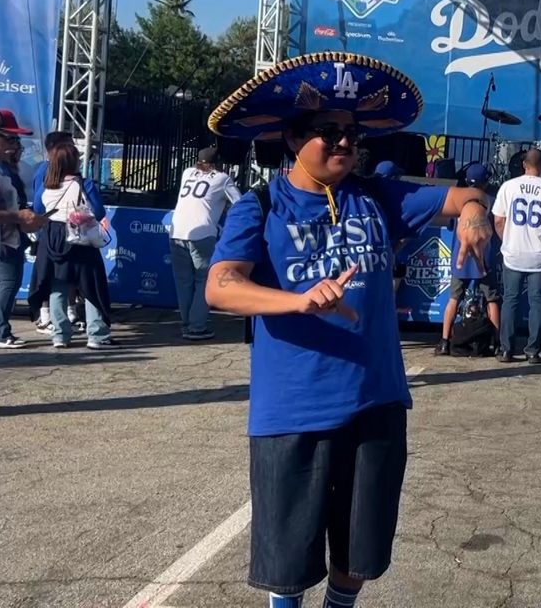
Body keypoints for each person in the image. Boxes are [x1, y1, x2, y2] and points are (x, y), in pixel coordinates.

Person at [202, 53, 493, 608]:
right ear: (292, 137)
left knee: (360, 555)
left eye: (350, 134)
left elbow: (461, 196)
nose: (343, 143)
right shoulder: (260, 206)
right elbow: (220, 286)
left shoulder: (377, 195)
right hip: (293, 408)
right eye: (327, 132)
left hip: (375, 398)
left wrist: (474, 212)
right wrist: (297, 300)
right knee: (287, 568)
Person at [27, 141, 114, 349]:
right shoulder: (85, 185)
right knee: (89, 285)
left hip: (52, 238)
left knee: (58, 286)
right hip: (79, 237)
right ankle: (97, 335)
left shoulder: (45, 187)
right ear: (75, 162)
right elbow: (99, 212)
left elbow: (38, 210)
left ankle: (60, 335)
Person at [492, 147, 541, 363]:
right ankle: (532, 351)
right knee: (537, 301)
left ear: (524, 164)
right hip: (539, 255)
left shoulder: (508, 187)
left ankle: (506, 349)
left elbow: (498, 220)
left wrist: (507, 239)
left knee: (510, 300)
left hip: (513, 252)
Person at [170, 146, 242, 340]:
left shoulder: (187, 173)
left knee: (183, 282)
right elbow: (240, 203)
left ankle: (187, 322)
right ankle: (197, 326)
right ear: (217, 162)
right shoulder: (223, 178)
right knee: (204, 280)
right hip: (203, 233)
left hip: (177, 231)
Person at [436, 163, 501, 356]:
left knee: (454, 298)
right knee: (492, 299)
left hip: (460, 259)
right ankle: (497, 344)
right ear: (486, 182)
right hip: (484, 256)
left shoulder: (460, 202)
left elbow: (449, 225)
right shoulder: (491, 201)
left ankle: (444, 341)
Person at [0, 113, 47, 348]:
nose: (16, 146)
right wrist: (18, 216)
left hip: (11, 238)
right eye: (10, 139)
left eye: (17, 141)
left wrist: (27, 217)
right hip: (5, 241)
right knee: (8, 282)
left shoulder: (8, 169)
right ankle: (0, 331)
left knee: (10, 281)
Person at [30, 130, 77, 334]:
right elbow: (39, 205)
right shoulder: (45, 171)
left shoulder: (63, 173)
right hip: (49, 232)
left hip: (53, 232)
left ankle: (66, 313)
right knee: (49, 276)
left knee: (61, 277)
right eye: (68, 144)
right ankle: (45, 316)